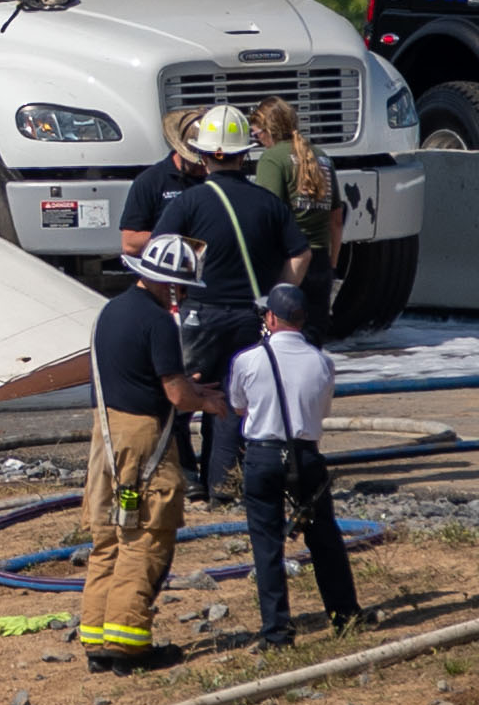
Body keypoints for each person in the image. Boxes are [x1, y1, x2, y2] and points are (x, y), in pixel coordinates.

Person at [79, 235, 224, 673]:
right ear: (173, 285)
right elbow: (176, 395)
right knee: (145, 536)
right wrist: (208, 401)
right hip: (143, 442)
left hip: (105, 437)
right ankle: (128, 645)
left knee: (107, 535)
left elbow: (138, 375)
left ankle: (97, 639)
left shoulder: (110, 311)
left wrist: (186, 385)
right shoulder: (160, 322)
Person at [150, 103, 309, 504]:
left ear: (202, 156)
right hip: (250, 316)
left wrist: (175, 296)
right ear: (245, 155)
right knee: (231, 405)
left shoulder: (189, 203)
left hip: (199, 316)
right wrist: (275, 298)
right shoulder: (268, 203)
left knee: (180, 398)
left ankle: (187, 479)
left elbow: (160, 251)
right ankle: (224, 487)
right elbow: (301, 253)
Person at [226, 282, 362, 648]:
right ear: (303, 319)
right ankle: (345, 614)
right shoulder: (322, 361)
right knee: (324, 537)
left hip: (263, 453)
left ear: (270, 317)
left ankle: (277, 631)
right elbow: (322, 411)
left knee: (267, 544)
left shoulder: (248, 360)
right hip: (305, 453)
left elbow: (239, 406)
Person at [118, 106, 208, 494]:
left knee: (209, 380)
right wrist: (176, 243)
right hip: (167, 296)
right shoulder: (151, 182)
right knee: (174, 381)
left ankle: (214, 466)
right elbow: (128, 240)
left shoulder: (214, 180)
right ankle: (181, 462)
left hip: (205, 295)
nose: (199, 165)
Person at [251, 97, 341, 344]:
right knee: (313, 340)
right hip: (321, 260)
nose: (258, 140)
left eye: (256, 134)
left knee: (281, 342)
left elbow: (268, 215)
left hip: (289, 261)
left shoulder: (272, 159)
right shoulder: (322, 157)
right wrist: (332, 265)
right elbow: (336, 219)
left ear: (268, 131)